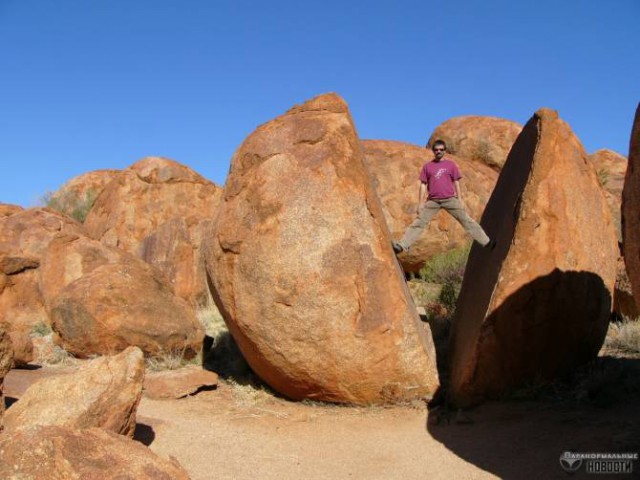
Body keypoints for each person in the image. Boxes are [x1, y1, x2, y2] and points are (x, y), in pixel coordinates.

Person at [392, 139, 495, 253]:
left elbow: (456, 181)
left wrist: (460, 199)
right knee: (419, 223)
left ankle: (487, 242)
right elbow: (423, 184)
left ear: (445, 151)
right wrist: (420, 203)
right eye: (436, 150)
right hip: (433, 201)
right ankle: (402, 245)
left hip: (450, 199)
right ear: (433, 151)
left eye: (441, 150)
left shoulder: (450, 165)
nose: (438, 152)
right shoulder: (428, 166)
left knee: (467, 221)